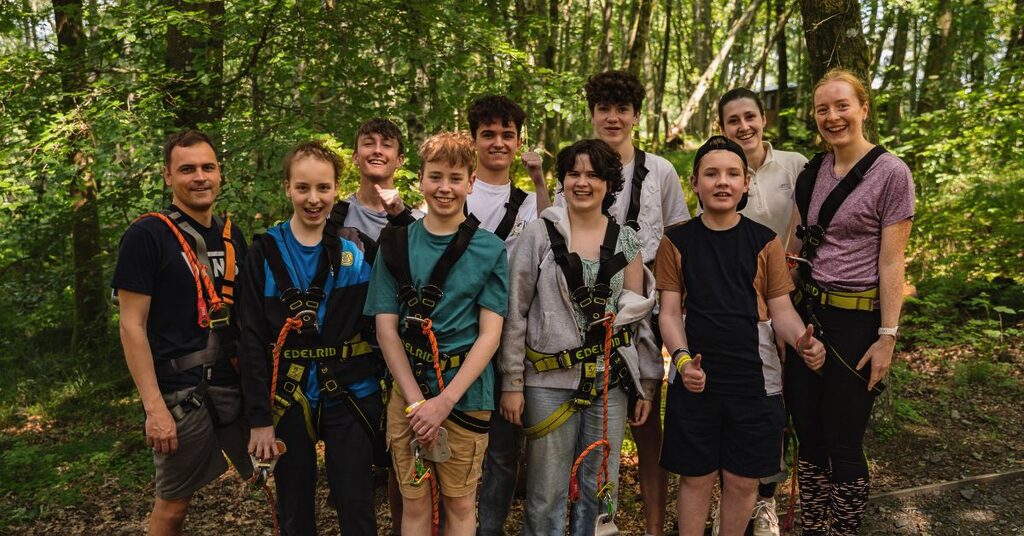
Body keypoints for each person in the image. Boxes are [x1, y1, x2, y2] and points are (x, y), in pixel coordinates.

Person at [654, 135, 826, 536]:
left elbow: (781, 310)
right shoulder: (676, 240)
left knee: (743, 480)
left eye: (732, 174)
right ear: (694, 182)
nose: (722, 182)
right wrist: (680, 359)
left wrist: (802, 342)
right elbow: (670, 312)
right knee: (696, 478)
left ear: (746, 183)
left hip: (755, 382)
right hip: (694, 379)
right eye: (711, 174)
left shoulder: (764, 242)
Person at [556, 70, 691, 536]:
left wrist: (672, 306)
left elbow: (677, 239)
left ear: (636, 115)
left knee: (646, 418)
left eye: (622, 109)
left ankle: (655, 525)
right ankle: (587, 521)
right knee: (586, 416)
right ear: (592, 113)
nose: (613, 118)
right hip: (583, 310)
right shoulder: (576, 169)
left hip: (645, 309)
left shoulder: (661, 172)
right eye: (604, 109)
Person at [501, 138, 658, 536]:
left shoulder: (627, 242)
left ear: (608, 183)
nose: (582, 183)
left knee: (601, 490)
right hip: (547, 383)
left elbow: (636, 319)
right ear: (563, 180)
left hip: (610, 383)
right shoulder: (539, 235)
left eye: (593, 174)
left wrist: (645, 385)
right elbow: (515, 311)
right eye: (574, 173)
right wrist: (513, 382)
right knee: (545, 494)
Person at [785, 69, 914, 536]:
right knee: (809, 437)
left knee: (843, 440)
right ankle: (813, 528)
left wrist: (888, 337)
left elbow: (892, 263)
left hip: (859, 324)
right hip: (808, 316)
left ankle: (841, 530)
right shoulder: (811, 173)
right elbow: (796, 252)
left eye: (842, 106)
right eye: (823, 109)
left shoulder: (891, 174)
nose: (833, 117)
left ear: (863, 108)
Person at [365, 131, 509, 536]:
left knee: (460, 504)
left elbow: (490, 334)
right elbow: (386, 328)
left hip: (465, 394)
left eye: (455, 178)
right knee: (414, 504)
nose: (445, 188)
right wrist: (416, 404)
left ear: (471, 182)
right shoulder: (395, 244)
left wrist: (443, 403)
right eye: (435, 177)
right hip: (408, 389)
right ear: (421, 180)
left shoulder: (490, 249)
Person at [113, 130, 252, 535]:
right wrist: (154, 409)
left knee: (273, 472)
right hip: (178, 392)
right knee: (173, 506)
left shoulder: (231, 236)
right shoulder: (147, 236)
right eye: (187, 169)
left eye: (208, 167)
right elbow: (131, 325)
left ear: (220, 174)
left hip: (231, 384)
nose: (199, 177)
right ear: (167, 176)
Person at [237, 141, 379, 535]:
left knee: (357, 505)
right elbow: (250, 338)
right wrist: (259, 421)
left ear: (337, 189)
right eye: (303, 188)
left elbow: (381, 325)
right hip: (288, 395)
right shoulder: (264, 253)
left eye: (323, 188)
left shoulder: (356, 253)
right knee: (294, 509)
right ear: (287, 188)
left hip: (350, 390)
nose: (313, 199)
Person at [716, 87, 809, 535]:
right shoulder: (719, 170)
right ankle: (731, 500)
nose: (743, 127)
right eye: (733, 120)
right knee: (738, 401)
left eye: (749, 117)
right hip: (740, 308)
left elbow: (810, 225)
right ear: (722, 128)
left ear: (763, 120)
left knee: (778, 404)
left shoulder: (794, 165)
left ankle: (765, 500)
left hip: (789, 297)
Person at [466, 95, 551, 536]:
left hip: (510, 337)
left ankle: (489, 528)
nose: (498, 142)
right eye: (489, 134)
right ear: (473, 139)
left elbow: (551, 245)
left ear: (518, 141)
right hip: (460, 335)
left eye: (507, 135)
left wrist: (539, 180)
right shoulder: (454, 191)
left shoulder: (530, 201)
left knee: (503, 447)